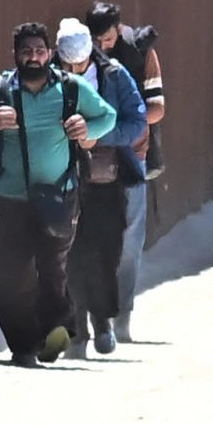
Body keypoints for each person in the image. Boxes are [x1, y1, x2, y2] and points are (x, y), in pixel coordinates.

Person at [0, 23, 118, 368]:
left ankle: (56, 330)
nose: (34, 57)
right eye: (26, 51)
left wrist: (86, 129)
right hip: (6, 200)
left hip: (58, 198)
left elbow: (109, 116)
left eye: (40, 51)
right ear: (15, 54)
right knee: (9, 276)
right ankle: (23, 346)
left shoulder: (71, 89)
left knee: (53, 270)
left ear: (51, 53)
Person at [53, 19, 149, 359]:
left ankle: (103, 320)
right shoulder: (49, 77)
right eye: (67, 63)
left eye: (79, 63)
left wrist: (99, 136)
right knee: (69, 256)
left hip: (105, 180)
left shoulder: (114, 75)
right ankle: (75, 331)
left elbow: (136, 121)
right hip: (63, 180)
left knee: (105, 253)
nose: (73, 69)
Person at [87, 3, 165, 343]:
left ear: (118, 29)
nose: (101, 47)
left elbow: (157, 108)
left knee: (129, 240)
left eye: (106, 38)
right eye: (96, 40)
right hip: (88, 160)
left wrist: (120, 125)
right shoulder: (81, 56)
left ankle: (122, 315)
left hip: (132, 156)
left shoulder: (140, 54)